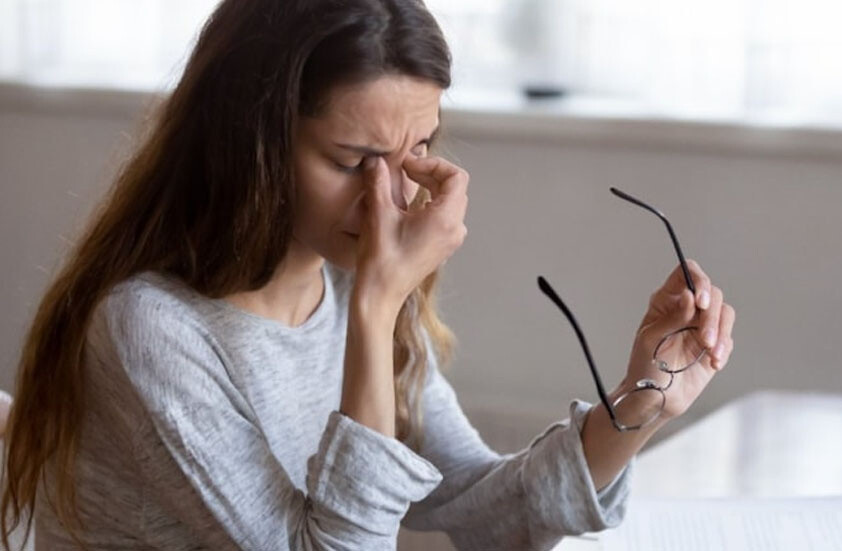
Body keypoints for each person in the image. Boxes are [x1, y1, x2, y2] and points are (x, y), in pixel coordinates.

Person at [0, 1, 736, 549]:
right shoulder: (150, 327)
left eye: (417, 149)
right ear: (251, 146)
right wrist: (378, 306)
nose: (393, 199)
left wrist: (646, 396)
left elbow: (482, 502)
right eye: (352, 161)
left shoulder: (352, 284)